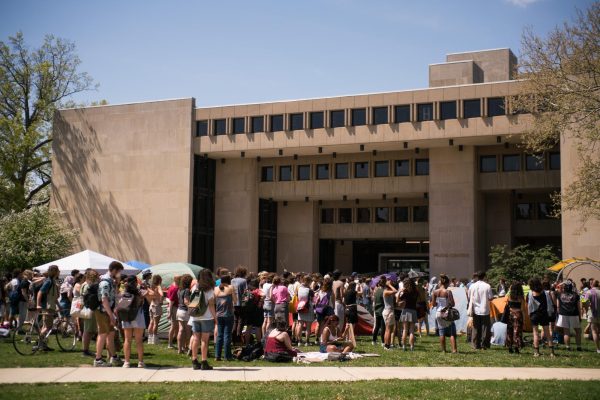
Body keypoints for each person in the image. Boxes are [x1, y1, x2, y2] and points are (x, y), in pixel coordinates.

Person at [94, 261, 124, 367]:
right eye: (119, 271)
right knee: (102, 334)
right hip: (103, 312)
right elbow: (104, 300)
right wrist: (111, 315)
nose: (119, 274)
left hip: (108, 311)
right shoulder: (105, 282)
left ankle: (114, 357)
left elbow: (112, 296)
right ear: (115, 270)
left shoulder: (110, 281)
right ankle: (98, 359)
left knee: (110, 335)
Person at [189, 269, 217, 370]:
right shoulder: (209, 289)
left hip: (195, 317)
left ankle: (194, 360)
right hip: (207, 317)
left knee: (196, 338)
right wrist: (215, 318)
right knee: (204, 340)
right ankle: (204, 361)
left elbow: (192, 302)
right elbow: (211, 306)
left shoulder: (195, 287)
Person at [120, 276, 147, 368]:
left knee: (127, 340)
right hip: (138, 316)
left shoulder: (124, 292)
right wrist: (141, 286)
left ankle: (126, 362)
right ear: (136, 282)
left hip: (126, 316)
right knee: (139, 340)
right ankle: (140, 362)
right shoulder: (140, 292)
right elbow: (150, 293)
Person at [527, 277, 555, 357]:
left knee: (535, 333)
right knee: (548, 333)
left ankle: (536, 352)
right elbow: (549, 303)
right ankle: (551, 352)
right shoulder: (545, 293)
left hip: (534, 314)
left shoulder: (530, 293)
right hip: (544, 314)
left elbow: (528, 305)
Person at [431, 274, 457, 353]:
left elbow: (433, 304)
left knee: (441, 332)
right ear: (446, 283)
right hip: (447, 312)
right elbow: (452, 304)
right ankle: (454, 350)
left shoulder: (435, 292)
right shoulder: (448, 292)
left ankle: (443, 350)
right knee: (452, 332)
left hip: (438, 313)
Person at [36, 265, 60, 351]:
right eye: (58, 270)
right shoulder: (48, 281)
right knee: (48, 327)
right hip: (47, 307)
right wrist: (38, 304)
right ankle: (38, 343)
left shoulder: (52, 281)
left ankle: (42, 345)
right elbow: (40, 293)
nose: (59, 272)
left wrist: (59, 305)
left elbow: (54, 297)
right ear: (54, 271)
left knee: (45, 326)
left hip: (51, 306)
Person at [467, 271, 493, 350]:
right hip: (485, 309)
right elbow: (490, 297)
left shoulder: (472, 286)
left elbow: (469, 296)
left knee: (476, 328)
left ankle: (475, 344)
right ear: (484, 276)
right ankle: (484, 345)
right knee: (485, 328)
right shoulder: (487, 286)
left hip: (475, 309)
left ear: (477, 277)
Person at [214, 272, 236, 361]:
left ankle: (217, 356)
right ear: (228, 281)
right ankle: (227, 356)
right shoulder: (230, 288)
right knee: (227, 335)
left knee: (219, 335)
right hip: (228, 314)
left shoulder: (215, 289)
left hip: (218, 314)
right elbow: (235, 300)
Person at [556, 280, 582, 351]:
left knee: (566, 331)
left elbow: (558, 306)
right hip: (574, 314)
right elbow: (578, 307)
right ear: (571, 287)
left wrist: (559, 314)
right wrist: (580, 316)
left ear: (564, 287)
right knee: (578, 331)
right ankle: (578, 347)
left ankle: (568, 347)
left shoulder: (560, 294)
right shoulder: (576, 295)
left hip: (563, 314)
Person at [81, 269, 98, 357]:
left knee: (88, 330)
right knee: (88, 330)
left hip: (88, 308)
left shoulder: (84, 284)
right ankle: (85, 350)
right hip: (90, 309)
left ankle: (86, 350)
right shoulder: (88, 285)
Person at [398, 278, 418, 351]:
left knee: (405, 330)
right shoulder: (416, 292)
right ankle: (412, 347)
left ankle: (404, 346)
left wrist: (400, 292)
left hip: (406, 310)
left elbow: (399, 300)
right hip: (413, 310)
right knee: (412, 331)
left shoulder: (405, 292)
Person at [505, 281, 524, 354]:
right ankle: (516, 347)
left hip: (510, 314)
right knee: (517, 332)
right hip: (518, 315)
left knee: (510, 331)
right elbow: (522, 309)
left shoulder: (509, 296)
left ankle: (509, 346)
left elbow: (507, 305)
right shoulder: (521, 297)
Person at [176, 274, 193, 354]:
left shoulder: (179, 289)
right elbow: (186, 301)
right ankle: (187, 348)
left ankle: (179, 349)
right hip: (185, 311)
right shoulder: (186, 290)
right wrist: (192, 308)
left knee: (181, 330)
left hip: (179, 310)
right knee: (188, 331)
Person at [295, 275, 314, 346]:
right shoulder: (310, 290)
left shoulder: (298, 288)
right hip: (308, 307)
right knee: (308, 326)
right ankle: (307, 341)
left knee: (300, 325)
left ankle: (299, 341)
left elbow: (296, 296)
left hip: (300, 306)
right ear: (308, 281)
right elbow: (312, 299)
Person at [231, 266, 248, 344]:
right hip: (241, 303)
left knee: (235, 320)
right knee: (241, 320)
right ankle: (238, 337)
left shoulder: (232, 280)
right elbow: (246, 292)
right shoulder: (244, 281)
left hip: (233, 303)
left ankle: (233, 336)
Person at [584, 280, 600, 353]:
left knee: (594, 331)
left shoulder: (588, 292)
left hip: (593, 313)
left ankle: (598, 349)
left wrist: (588, 307)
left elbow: (585, 301)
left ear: (591, 284)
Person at [147, 274, 163, 345]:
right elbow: (161, 294)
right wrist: (161, 300)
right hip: (157, 305)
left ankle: (149, 339)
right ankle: (155, 339)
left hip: (151, 305)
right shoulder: (158, 286)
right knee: (156, 323)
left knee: (151, 322)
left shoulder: (151, 286)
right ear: (159, 280)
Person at [165, 275, 180, 349]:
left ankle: (175, 342)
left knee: (175, 326)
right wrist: (170, 312)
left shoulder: (172, 286)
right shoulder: (175, 288)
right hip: (173, 308)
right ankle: (170, 343)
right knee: (173, 326)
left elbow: (167, 298)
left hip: (173, 308)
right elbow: (171, 302)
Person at [382, 279, 397, 350]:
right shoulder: (385, 291)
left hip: (389, 311)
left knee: (388, 329)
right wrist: (389, 285)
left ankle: (386, 344)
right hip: (388, 311)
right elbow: (395, 291)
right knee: (388, 329)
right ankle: (386, 346)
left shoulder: (387, 291)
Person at [371, 278, 385, 346]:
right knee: (383, 327)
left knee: (377, 326)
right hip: (382, 309)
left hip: (376, 310)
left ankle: (374, 340)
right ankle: (383, 342)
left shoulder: (376, 291)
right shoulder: (383, 291)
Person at [140, 269, 153, 338]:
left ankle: (145, 334)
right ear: (147, 275)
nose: (151, 275)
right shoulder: (143, 283)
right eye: (150, 274)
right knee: (145, 317)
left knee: (147, 317)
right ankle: (142, 335)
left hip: (147, 302)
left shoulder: (147, 283)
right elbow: (143, 293)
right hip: (145, 302)